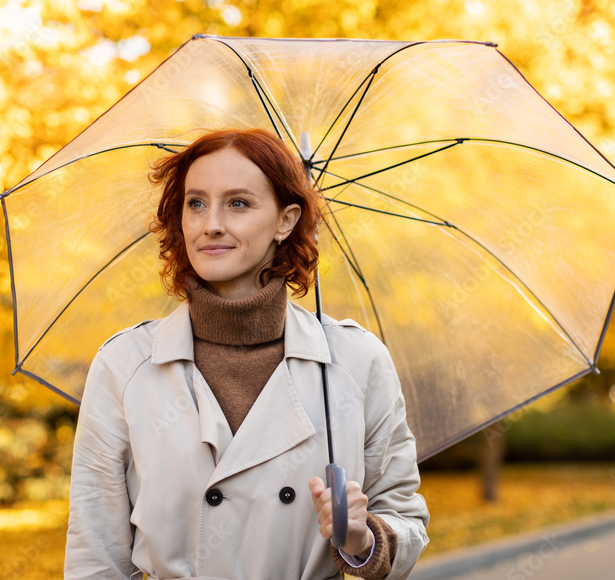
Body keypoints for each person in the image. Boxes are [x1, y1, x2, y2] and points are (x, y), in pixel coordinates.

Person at [64, 128, 429, 580]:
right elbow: (95, 555)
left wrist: (364, 539)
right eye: (196, 203)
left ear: (286, 220)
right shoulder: (125, 365)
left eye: (237, 203)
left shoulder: (356, 362)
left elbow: (406, 518)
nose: (210, 223)